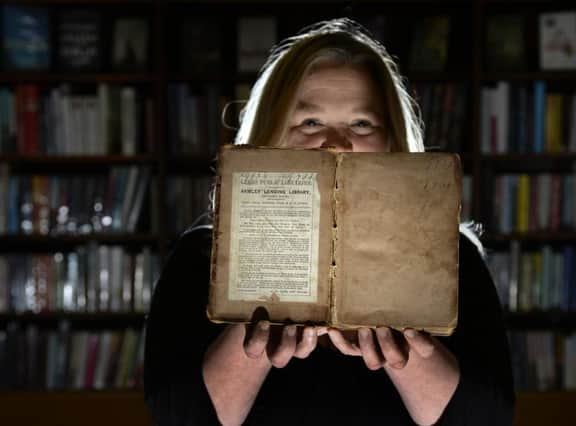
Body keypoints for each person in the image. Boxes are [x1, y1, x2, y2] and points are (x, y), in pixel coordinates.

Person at [144, 18, 514, 426]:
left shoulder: (451, 257)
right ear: (270, 137)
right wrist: (253, 337)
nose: (336, 143)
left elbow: (490, 417)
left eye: (361, 124)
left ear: (391, 142)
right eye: (310, 123)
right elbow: (174, 415)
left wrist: (407, 354)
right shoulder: (201, 256)